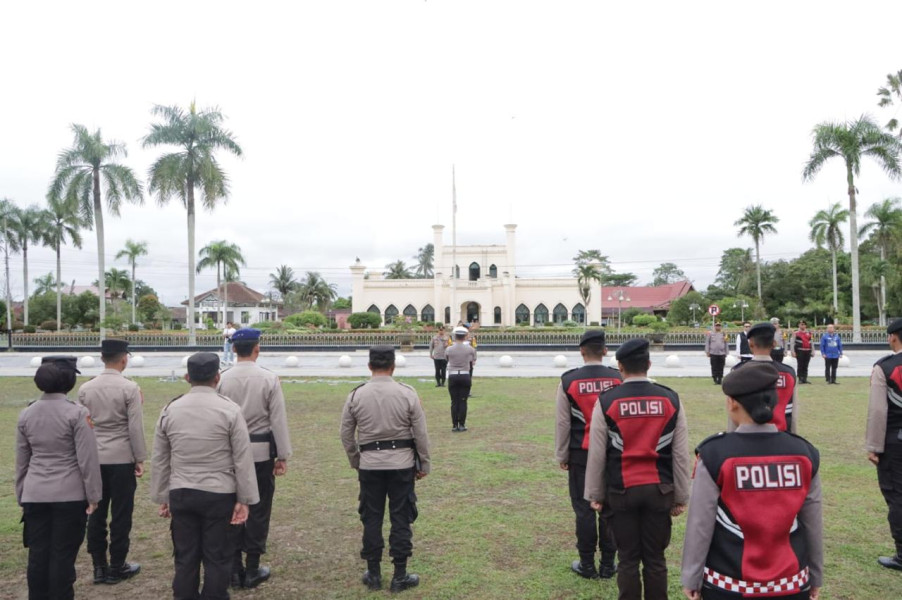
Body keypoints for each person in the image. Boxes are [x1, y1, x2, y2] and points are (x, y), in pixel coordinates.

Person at [681, 361, 823, 600]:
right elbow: (813, 523)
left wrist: (691, 578)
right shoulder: (804, 453)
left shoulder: (715, 454)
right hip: (791, 582)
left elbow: (700, 524)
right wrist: (816, 577)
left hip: (728, 584)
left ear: (733, 402)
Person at [585, 338, 691, 600]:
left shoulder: (607, 400)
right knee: (656, 559)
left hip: (621, 491)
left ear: (620, 366)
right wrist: (681, 496)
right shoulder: (670, 399)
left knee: (628, 559)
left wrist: (595, 494)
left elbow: (597, 453)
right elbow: (679, 454)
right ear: (649, 364)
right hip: (660, 490)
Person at [151, 352, 259, 600]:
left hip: (181, 491)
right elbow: (242, 458)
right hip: (219, 492)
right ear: (217, 377)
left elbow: (160, 457)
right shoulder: (230, 410)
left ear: (187, 377)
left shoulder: (171, 409)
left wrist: (162, 495)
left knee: (185, 556)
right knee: (217, 556)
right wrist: (245, 499)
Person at [340, 346, 431, 593]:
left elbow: (346, 434)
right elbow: (420, 434)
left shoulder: (356, 395)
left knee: (372, 517)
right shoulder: (407, 393)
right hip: (401, 463)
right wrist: (423, 463)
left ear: (370, 366)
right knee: (401, 516)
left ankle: (374, 573)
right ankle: (399, 573)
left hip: (370, 464)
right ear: (393, 366)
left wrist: (356, 460)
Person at [16, 356, 102, 600]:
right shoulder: (76, 413)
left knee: (38, 554)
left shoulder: (27, 413)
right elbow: (87, 459)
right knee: (62, 556)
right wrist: (93, 495)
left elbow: (22, 459)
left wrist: (22, 493)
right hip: (69, 494)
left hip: (35, 493)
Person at [217, 328, 293, 589]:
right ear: (257, 348)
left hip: (229, 454)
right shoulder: (269, 379)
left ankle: (235, 568)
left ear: (234, 350)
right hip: (260, 454)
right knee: (258, 509)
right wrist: (282, 455)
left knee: (232, 507)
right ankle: (252, 568)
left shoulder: (222, 379)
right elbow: (277, 420)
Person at [555, 329, 622, 580]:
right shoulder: (619, 379)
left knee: (583, 510)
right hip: (613, 454)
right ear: (605, 351)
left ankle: (586, 564)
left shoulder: (568, 381)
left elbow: (563, 423)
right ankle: (607, 564)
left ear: (581, 350)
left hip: (580, 454)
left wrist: (562, 454)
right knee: (609, 509)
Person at [77, 339, 145, 585]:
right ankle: (118, 564)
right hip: (121, 456)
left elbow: (82, 428)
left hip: (94, 456)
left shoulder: (86, 389)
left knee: (95, 512)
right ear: (124, 359)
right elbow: (134, 428)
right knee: (121, 514)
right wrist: (139, 458)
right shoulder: (129, 388)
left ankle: (99, 566)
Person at [866, 319, 902, 571]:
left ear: (892, 337)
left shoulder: (885, 367)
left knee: (897, 496)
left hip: (895, 442)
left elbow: (878, 411)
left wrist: (874, 446)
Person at [729, 322, 798, 433]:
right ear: (774, 344)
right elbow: (792, 413)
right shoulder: (789, 373)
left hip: (747, 439)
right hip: (781, 438)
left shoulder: (738, 372)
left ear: (750, 345)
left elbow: (734, 413)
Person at [446, 326, 477, 432]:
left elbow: (447, 359)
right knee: (463, 401)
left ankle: (455, 425)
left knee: (454, 401)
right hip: (465, 375)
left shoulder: (449, 349)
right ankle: (462, 424)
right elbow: (473, 361)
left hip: (453, 375)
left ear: (454, 336)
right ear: (465, 337)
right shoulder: (470, 349)